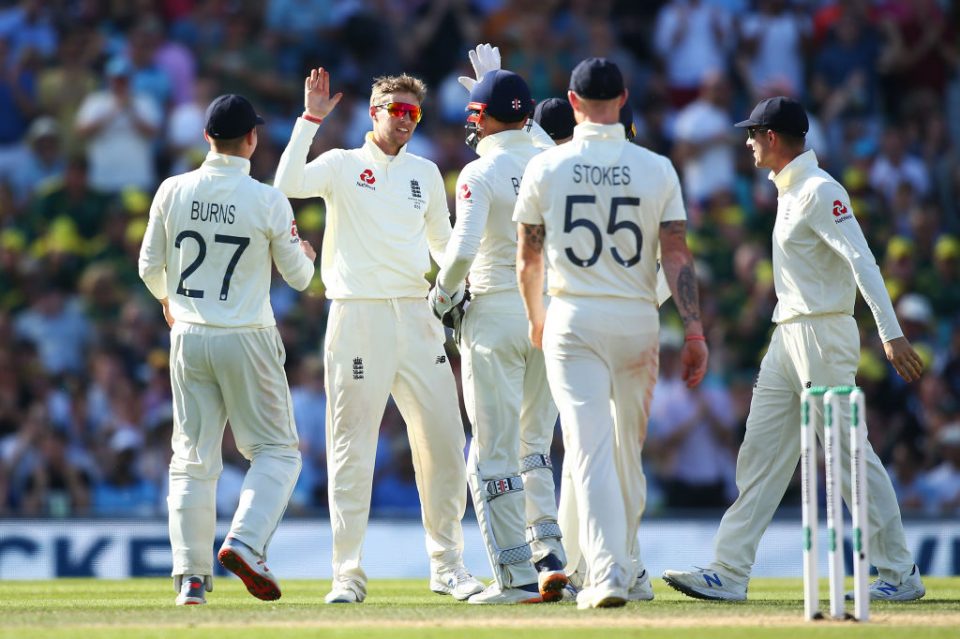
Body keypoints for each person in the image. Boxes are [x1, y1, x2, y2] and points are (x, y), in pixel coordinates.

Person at [663, 96, 927, 603]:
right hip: (788, 334)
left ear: (774, 138)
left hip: (823, 334)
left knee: (847, 454)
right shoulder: (787, 190)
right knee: (760, 452)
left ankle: (898, 571)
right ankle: (730, 570)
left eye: (753, 134)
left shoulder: (819, 190)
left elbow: (863, 262)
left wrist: (890, 333)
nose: (747, 143)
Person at [273, 67, 483, 604]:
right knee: (352, 446)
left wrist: (465, 284)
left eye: (415, 113)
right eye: (398, 111)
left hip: (416, 315)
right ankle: (347, 573)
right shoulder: (343, 165)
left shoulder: (427, 173)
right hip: (357, 314)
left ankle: (448, 566)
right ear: (375, 113)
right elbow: (287, 187)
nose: (407, 121)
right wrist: (309, 120)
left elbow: (443, 247)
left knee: (442, 441)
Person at [514, 57, 709, 609]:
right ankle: (627, 566)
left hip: (573, 316)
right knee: (625, 453)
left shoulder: (546, 168)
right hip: (637, 319)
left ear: (572, 103)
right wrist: (693, 330)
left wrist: (536, 318)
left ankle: (606, 574)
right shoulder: (657, 168)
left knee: (590, 451)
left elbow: (528, 262)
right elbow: (676, 255)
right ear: (623, 100)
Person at [138, 93, 317, 606]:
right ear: (253, 140)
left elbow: (150, 269)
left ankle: (190, 579)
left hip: (189, 335)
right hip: (247, 336)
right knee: (277, 452)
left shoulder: (173, 190)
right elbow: (301, 279)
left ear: (206, 137)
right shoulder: (266, 199)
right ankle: (245, 541)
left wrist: (170, 301)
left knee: (192, 459)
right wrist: (306, 253)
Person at [431, 69, 565, 605]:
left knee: (491, 454)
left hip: (494, 312)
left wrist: (441, 296)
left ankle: (514, 579)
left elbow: (462, 247)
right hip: (550, 314)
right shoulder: (550, 163)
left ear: (479, 117)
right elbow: (533, 140)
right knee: (534, 446)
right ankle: (550, 556)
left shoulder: (479, 171)